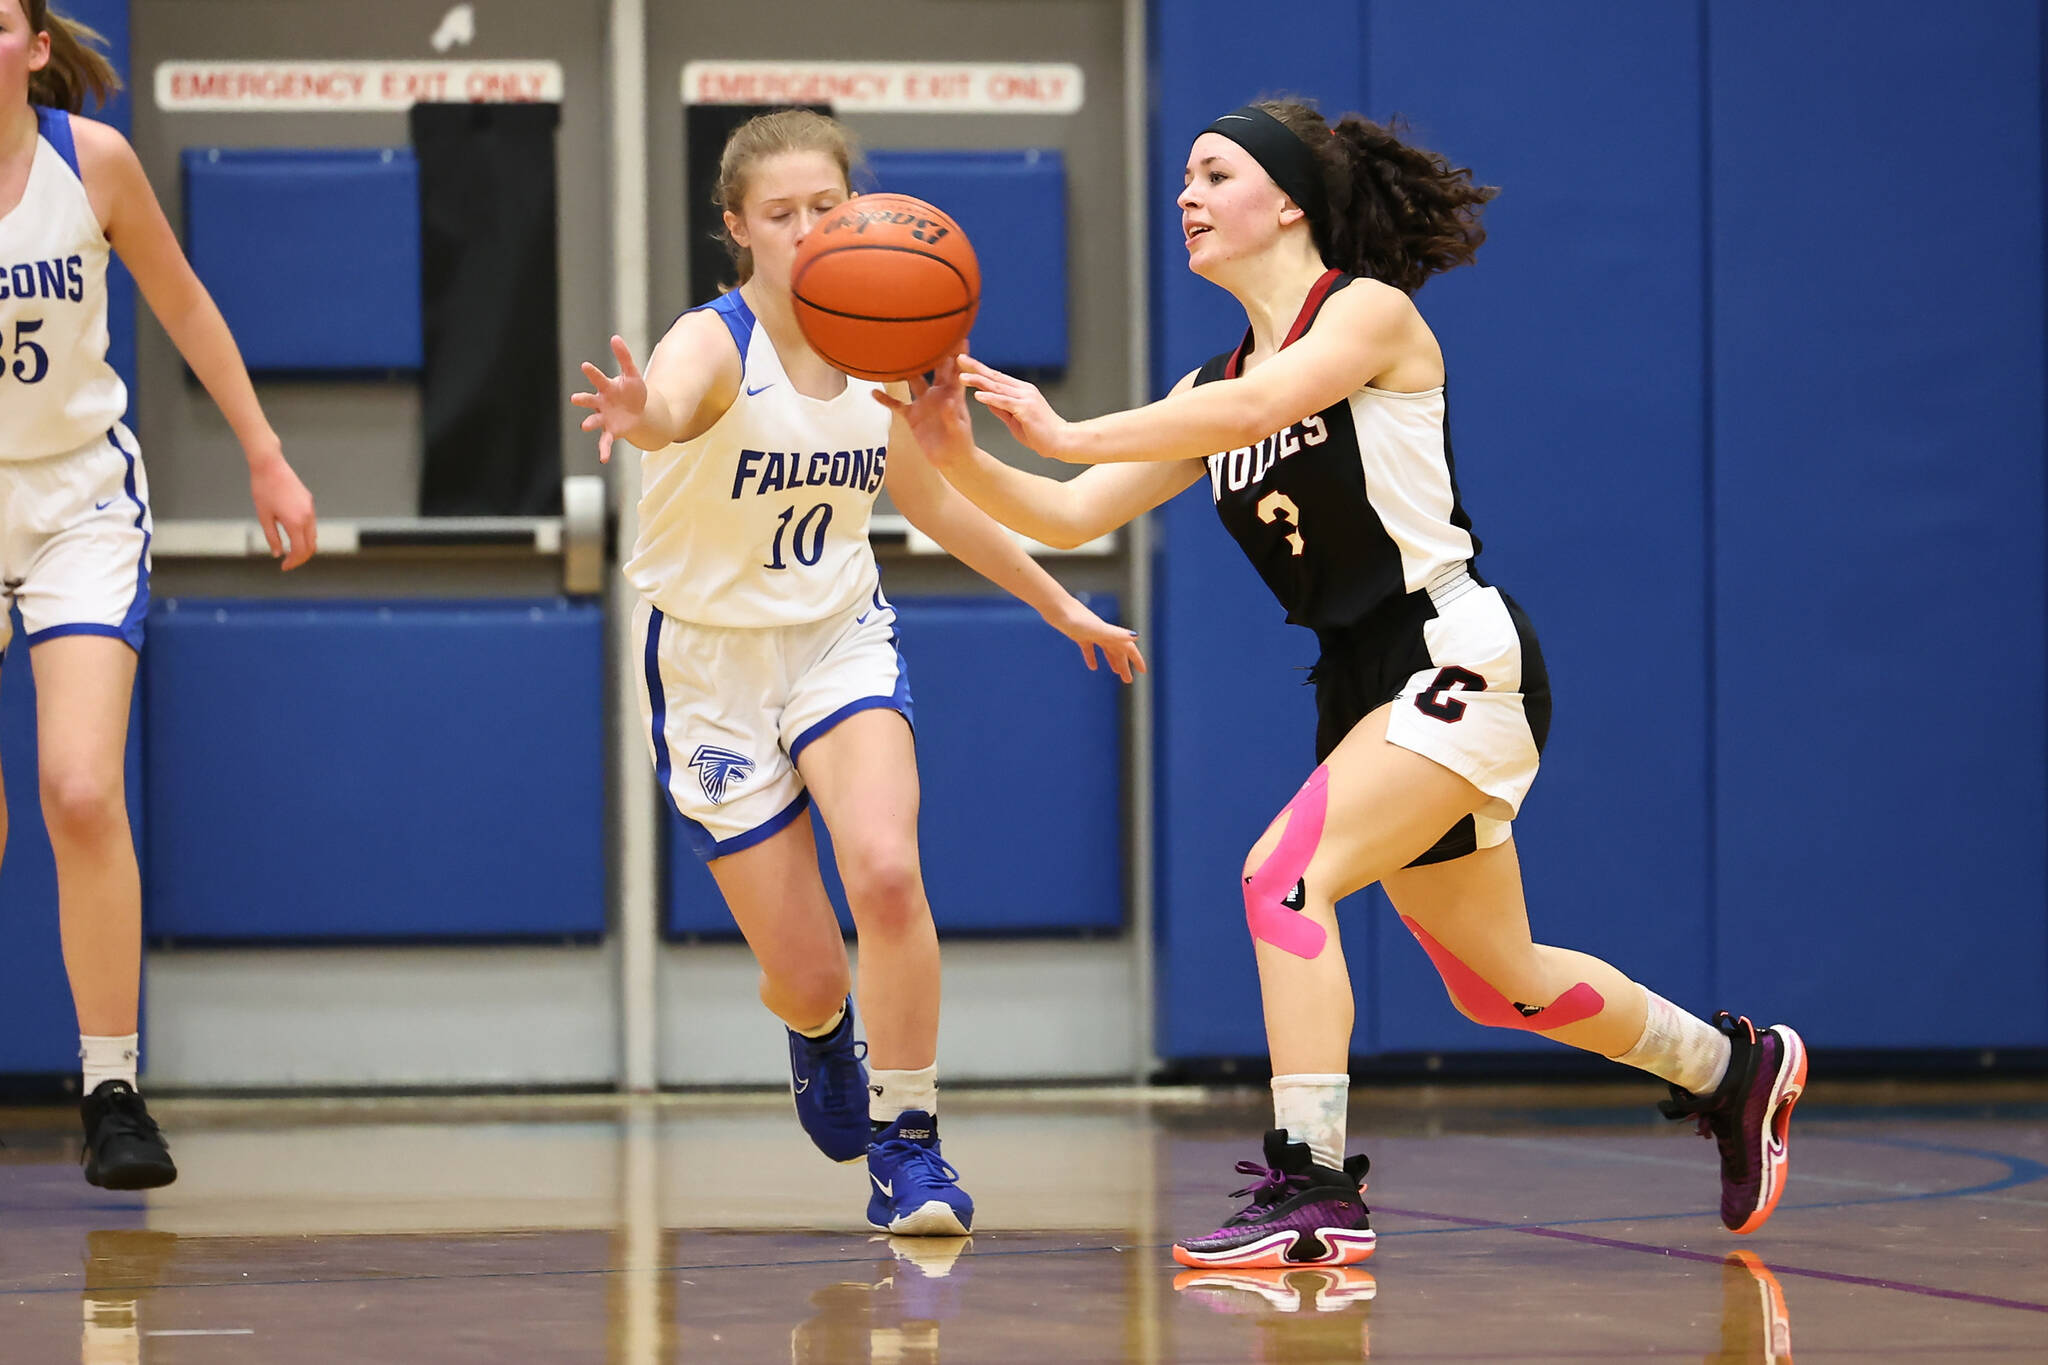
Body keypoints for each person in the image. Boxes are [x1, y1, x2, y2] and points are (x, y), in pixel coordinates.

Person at [883, 98, 1805, 1266]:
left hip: (1452, 651)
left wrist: (1063, 431)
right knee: (1498, 982)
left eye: (1211, 174)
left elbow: (1266, 406)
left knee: (1281, 877)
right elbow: (1068, 516)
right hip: (1360, 685)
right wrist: (957, 452)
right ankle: (1730, 1069)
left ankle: (1312, 1184)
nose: (1186, 196)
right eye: (1182, 179)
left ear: (1288, 203)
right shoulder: (1202, 385)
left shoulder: (1365, 315)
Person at [572, 108, 1143, 1236]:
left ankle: (911, 1145)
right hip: (709, 666)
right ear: (737, 229)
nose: (804, 229)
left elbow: (933, 506)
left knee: (884, 870)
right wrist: (643, 420)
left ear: (856, 211)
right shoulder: (712, 339)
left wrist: (1056, 597)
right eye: (778, 214)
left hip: (837, 638)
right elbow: (676, 404)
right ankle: (820, 1029)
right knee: (809, 972)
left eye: (824, 207)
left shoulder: (883, 348)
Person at [0, 0, 317, 1189]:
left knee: (79, 789)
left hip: (78, 497)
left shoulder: (94, 162)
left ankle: (111, 1087)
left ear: (35, 46)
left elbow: (182, 302)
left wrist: (265, 450)